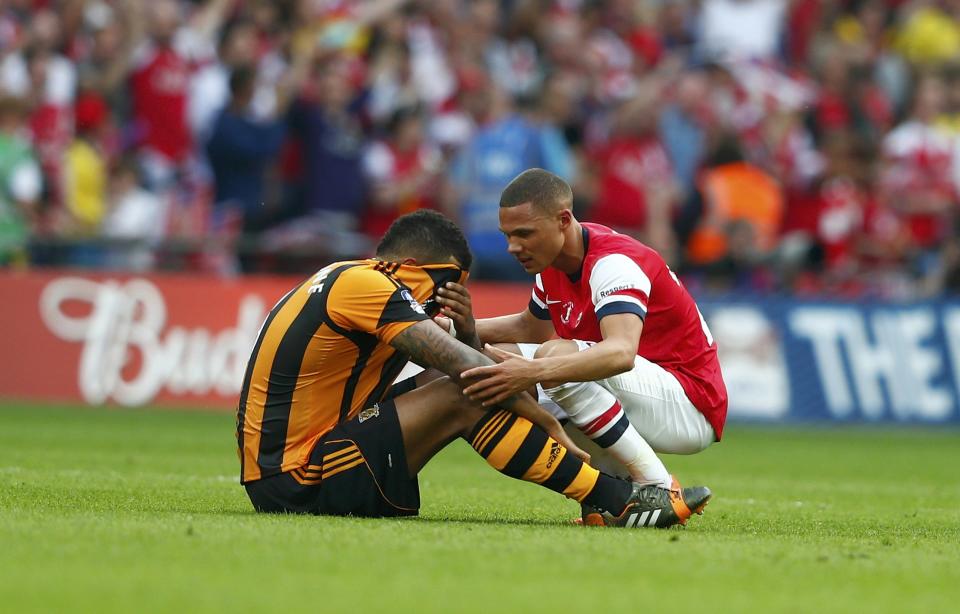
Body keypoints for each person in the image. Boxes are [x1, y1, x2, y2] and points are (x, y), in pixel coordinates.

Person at [236, 209, 710, 528]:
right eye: (445, 284)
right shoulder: (368, 286)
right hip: (299, 480)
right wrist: (547, 421)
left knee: (459, 386)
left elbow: (452, 361)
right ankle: (614, 498)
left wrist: (467, 327)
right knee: (466, 388)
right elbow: (464, 368)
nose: (440, 299)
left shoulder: (352, 278)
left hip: (306, 464)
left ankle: (606, 499)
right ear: (409, 264)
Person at [432, 169, 725, 527]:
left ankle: (658, 489)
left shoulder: (612, 263)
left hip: (689, 403)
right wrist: (450, 329)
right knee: (492, 369)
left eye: (524, 234)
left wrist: (533, 372)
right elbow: (531, 327)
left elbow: (621, 353)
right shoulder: (554, 261)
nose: (513, 247)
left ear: (563, 220)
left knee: (552, 360)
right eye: (508, 235)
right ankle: (609, 499)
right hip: (645, 392)